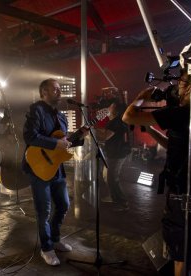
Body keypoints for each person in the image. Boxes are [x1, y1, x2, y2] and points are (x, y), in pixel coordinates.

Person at [122, 68, 191, 276]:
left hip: (185, 193)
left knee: (181, 255)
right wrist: (151, 130)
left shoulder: (183, 113)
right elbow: (176, 146)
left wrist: (142, 96)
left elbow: (128, 116)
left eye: (183, 83)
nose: (178, 86)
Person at [22, 78, 88, 266]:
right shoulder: (36, 110)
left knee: (64, 205)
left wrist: (80, 136)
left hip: (56, 167)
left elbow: (65, 142)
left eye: (59, 89)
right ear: (44, 92)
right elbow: (30, 136)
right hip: (38, 167)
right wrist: (56, 143)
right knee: (44, 211)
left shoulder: (61, 116)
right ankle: (46, 248)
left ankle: (55, 239)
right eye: (55, 89)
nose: (59, 92)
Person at [98, 98, 131, 210]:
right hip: (113, 152)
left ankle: (122, 203)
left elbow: (105, 136)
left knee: (112, 178)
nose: (108, 108)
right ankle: (113, 196)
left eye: (111, 106)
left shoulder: (117, 122)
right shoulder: (114, 121)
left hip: (117, 154)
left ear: (116, 110)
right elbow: (105, 132)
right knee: (106, 176)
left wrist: (90, 131)